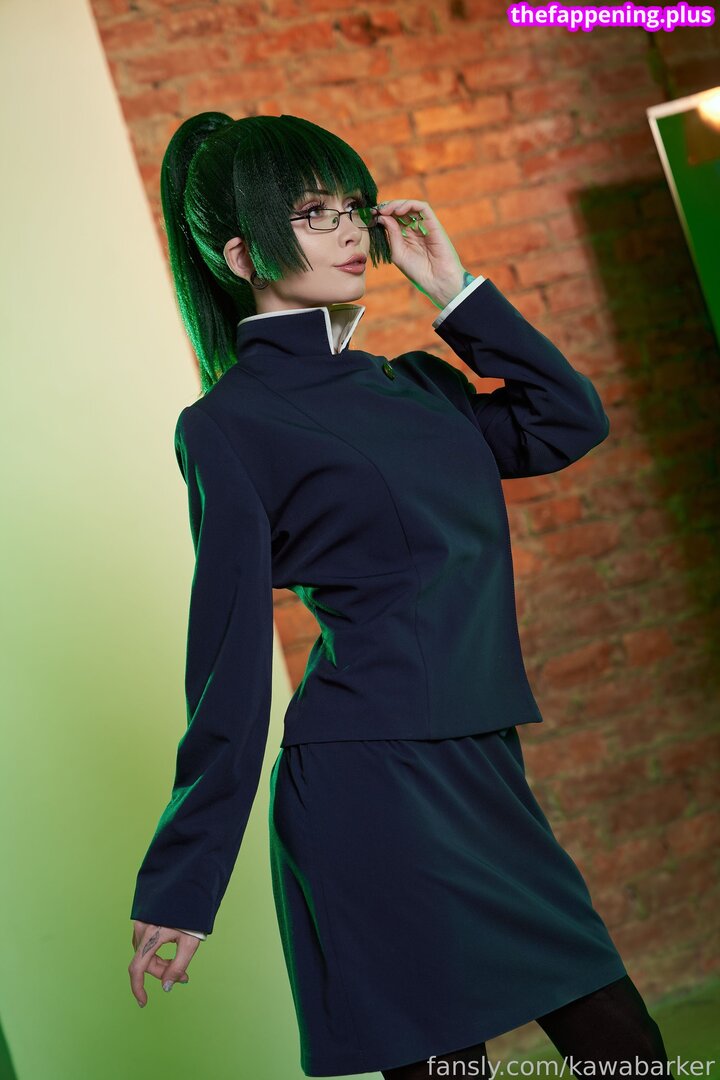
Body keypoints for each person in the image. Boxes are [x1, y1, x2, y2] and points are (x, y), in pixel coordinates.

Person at [127, 112, 675, 1079]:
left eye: (351, 207)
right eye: (312, 213)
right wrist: (182, 885)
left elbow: (568, 420)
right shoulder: (229, 426)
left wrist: (454, 289)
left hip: (480, 767)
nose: (348, 229)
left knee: (627, 1053)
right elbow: (227, 668)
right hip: (370, 788)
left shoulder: (418, 385)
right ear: (242, 255)